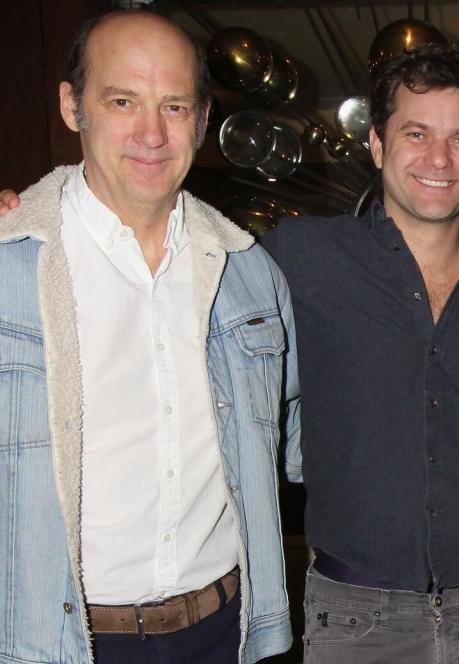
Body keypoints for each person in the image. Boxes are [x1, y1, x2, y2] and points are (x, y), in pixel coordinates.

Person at [0, 11, 299, 663]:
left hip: (227, 632)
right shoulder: (9, 264)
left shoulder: (250, 275)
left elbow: (295, 444)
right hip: (61, 645)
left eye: (174, 105)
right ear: (72, 106)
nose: (152, 134)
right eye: (122, 101)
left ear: (201, 117)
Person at [258, 43, 459, 663]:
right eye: (416, 133)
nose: (439, 159)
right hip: (355, 617)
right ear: (378, 146)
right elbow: (189, 289)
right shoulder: (301, 257)